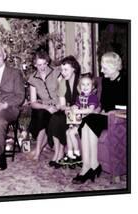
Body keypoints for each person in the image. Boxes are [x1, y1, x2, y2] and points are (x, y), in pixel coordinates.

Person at [72, 52, 127, 184]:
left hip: (118, 119)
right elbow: (102, 105)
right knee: (87, 122)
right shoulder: (106, 81)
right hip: (105, 116)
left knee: (89, 121)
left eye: (104, 68)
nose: (101, 71)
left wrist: (111, 112)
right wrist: (97, 111)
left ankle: (89, 167)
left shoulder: (126, 81)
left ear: (114, 67)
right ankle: (91, 165)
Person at [47, 55, 81, 168]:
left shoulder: (81, 82)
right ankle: (58, 152)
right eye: (62, 70)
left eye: (66, 69)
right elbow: (62, 104)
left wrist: (72, 109)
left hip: (79, 113)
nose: (63, 72)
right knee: (55, 117)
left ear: (74, 69)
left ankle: (60, 153)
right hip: (68, 111)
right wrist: (65, 108)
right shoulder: (62, 82)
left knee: (60, 119)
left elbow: (85, 101)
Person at [26, 51, 60, 161]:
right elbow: (33, 102)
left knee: (43, 117)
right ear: (35, 64)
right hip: (45, 107)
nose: (42, 67)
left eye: (44, 64)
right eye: (39, 65)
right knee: (41, 114)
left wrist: (58, 106)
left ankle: (37, 150)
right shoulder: (33, 78)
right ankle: (38, 150)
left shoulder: (56, 72)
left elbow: (63, 92)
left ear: (47, 62)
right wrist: (46, 107)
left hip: (59, 105)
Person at [61, 74, 99, 166]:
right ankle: (70, 153)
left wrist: (79, 110)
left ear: (93, 87)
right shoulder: (80, 97)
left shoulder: (92, 97)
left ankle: (77, 154)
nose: (85, 87)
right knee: (67, 132)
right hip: (78, 121)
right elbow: (76, 105)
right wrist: (71, 108)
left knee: (71, 133)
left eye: (88, 84)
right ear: (79, 86)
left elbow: (90, 109)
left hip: (87, 123)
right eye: (83, 84)